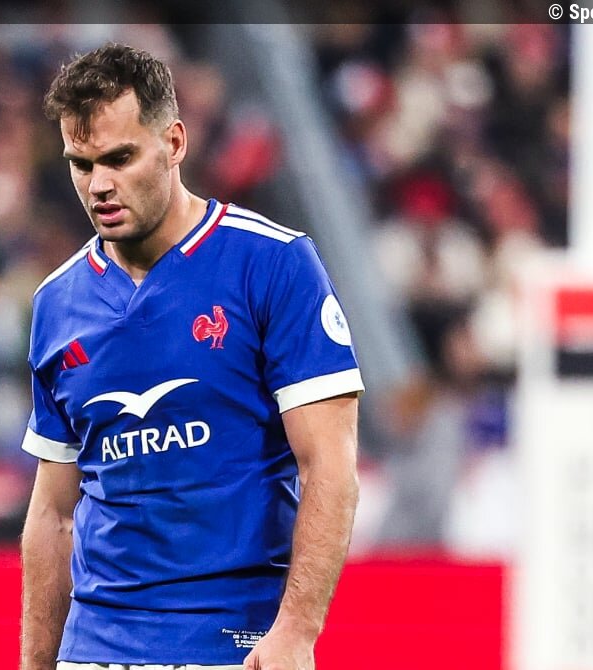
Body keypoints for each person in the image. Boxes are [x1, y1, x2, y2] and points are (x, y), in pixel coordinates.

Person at [20, 43, 363, 670]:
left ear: (174, 142)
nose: (99, 185)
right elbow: (53, 513)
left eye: (120, 158)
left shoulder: (273, 264)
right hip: (95, 647)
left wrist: (296, 631)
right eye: (81, 164)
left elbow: (330, 466)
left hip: (231, 643)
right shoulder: (56, 303)